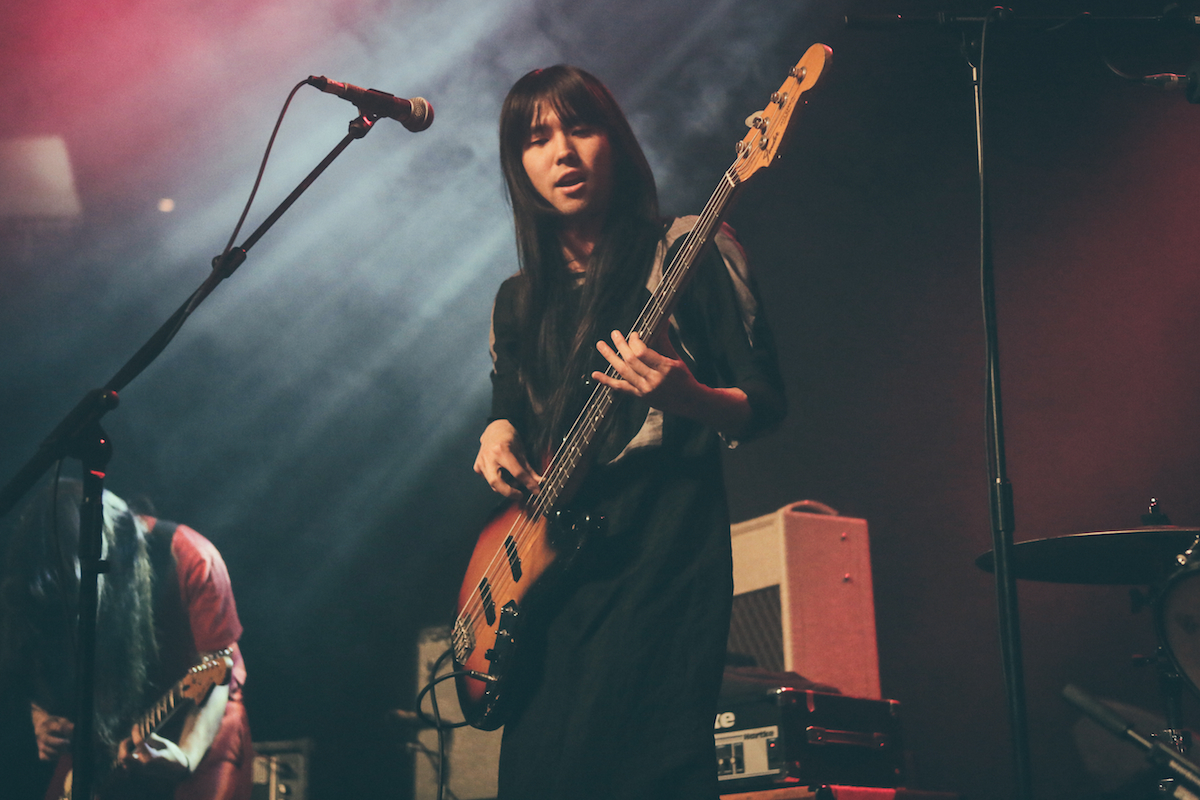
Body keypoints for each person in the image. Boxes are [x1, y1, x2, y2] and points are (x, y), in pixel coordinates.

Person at [472, 65, 786, 800]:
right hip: (550, 581)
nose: (564, 153)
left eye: (582, 128)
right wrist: (495, 436)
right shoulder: (518, 299)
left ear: (617, 141)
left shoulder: (688, 249)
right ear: (518, 165)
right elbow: (506, 403)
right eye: (537, 138)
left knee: (650, 768)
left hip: (662, 560)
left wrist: (691, 396)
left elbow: (767, 403)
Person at [0, 479, 253, 800]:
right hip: (109, 739)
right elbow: (36, 645)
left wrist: (187, 755)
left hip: (201, 725)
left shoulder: (194, 558)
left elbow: (217, 670)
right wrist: (43, 717)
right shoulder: (52, 574)